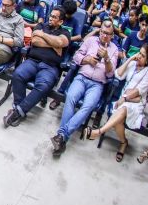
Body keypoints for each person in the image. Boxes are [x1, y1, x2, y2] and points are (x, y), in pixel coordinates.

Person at [51, 21, 119, 158]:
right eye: (103, 32)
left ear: (112, 36)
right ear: (100, 31)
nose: (105, 36)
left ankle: (61, 135)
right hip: (82, 77)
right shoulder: (90, 41)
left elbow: (111, 74)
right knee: (70, 97)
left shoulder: (114, 50)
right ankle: (62, 137)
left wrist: (106, 58)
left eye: (108, 34)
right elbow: (76, 57)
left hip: (97, 84)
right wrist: (87, 60)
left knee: (88, 106)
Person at [2, 6, 71, 126]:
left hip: (50, 67)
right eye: (50, 15)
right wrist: (55, 46)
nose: (50, 18)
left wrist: (42, 35)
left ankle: (17, 111)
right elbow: (34, 41)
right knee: (17, 74)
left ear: (61, 21)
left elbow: (61, 42)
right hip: (32, 61)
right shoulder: (41, 26)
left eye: (54, 17)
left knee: (43, 86)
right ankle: (19, 108)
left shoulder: (65, 33)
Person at [86, 44, 148, 161]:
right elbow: (118, 74)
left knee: (122, 109)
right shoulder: (133, 64)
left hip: (136, 104)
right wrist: (129, 59)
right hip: (123, 101)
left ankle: (98, 132)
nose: (139, 56)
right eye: (139, 53)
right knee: (119, 117)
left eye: (143, 56)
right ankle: (123, 142)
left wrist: (124, 98)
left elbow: (140, 90)